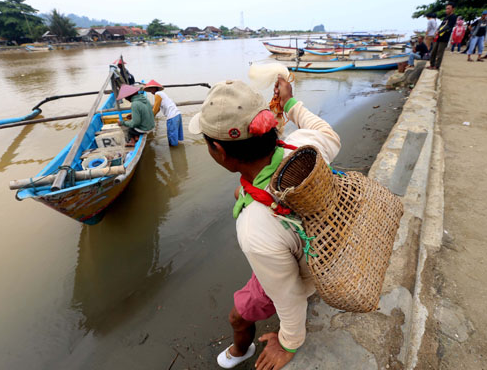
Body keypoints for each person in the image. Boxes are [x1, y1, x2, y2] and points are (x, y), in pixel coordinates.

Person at [188, 78, 340, 369]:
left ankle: (240, 351)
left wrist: (288, 343)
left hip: (303, 270)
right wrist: (291, 103)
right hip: (324, 241)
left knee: (237, 316)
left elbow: (289, 295)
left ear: (219, 151)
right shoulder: (302, 145)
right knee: (242, 191)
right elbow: (327, 133)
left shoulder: (254, 229)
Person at [142, 79, 184, 146]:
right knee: (176, 137)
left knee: (172, 138)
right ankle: (178, 149)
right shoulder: (162, 94)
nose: (150, 91)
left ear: (155, 88)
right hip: (177, 115)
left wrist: (149, 119)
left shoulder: (157, 94)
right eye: (149, 89)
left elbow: (155, 109)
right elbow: (158, 109)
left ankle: (174, 151)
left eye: (151, 89)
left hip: (172, 116)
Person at [429, 3, 457, 70]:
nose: (446, 10)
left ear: (452, 9)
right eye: (446, 8)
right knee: (433, 51)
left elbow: (448, 26)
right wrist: (437, 31)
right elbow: (441, 25)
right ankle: (432, 64)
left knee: (439, 52)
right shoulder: (446, 17)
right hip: (438, 37)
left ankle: (437, 66)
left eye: (448, 8)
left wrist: (439, 31)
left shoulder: (453, 17)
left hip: (444, 37)